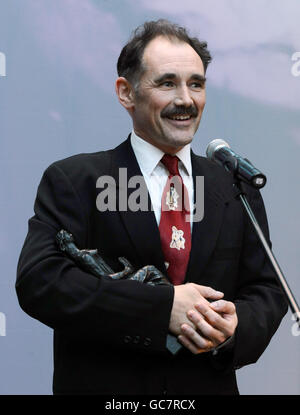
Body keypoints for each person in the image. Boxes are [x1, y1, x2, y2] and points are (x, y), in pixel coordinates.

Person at [16, 19, 287, 395]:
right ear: (126, 93)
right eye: (167, 83)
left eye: (196, 83)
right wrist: (162, 308)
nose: (186, 99)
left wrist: (235, 327)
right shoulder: (75, 180)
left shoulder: (234, 185)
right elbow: (40, 284)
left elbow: (266, 290)